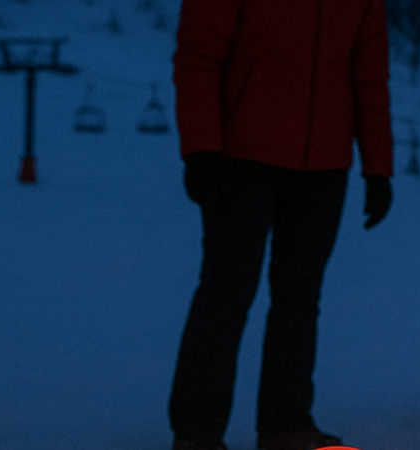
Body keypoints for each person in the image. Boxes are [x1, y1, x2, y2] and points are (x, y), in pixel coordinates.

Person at [168, 0, 394, 449]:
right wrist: (201, 147)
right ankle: (198, 430)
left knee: (299, 297)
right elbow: (199, 55)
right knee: (227, 291)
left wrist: (378, 167)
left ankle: (285, 424)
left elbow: (369, 76)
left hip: (324, 163)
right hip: (241, 155)